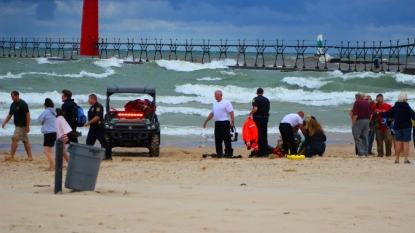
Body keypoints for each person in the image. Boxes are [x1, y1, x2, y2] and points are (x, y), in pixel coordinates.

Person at [379, 93, 415, 163]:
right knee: (406, 142)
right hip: (406, 126)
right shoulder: (407, 107)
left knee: (398, 142)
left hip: (397, 126)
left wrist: (379, 113)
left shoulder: (395, 107)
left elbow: (387, 114)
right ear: (404, 99)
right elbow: (413, 116)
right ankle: (405, 159)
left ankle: (397, 159)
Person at [1, 91, 33, 161]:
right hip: (17, 125)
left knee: (14, 138)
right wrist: (4, 122)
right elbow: (10, 114)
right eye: (11, 97)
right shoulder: (13, 105)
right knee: (25, 141)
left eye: (13, 97)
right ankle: (30, 156)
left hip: (22, 125)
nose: (12, 98)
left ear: (17, 96)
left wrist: (28, 126)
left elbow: (27, 115)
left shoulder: (23, 104)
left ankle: (11, 156)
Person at [203, 90, 235, 157]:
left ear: (220, 95)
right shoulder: (214, 104)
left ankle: (228, 153)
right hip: (217, 123)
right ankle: (219, 153)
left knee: (226, 138)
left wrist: (232, 121)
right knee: (218, 139)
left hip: (225, 123)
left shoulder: (226, 102)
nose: (214, 96)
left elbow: (231, 112)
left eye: (215, 94)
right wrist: (206, 121)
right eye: (214, 94)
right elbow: (212, 113)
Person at [84, 94, 112, 160]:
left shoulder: (99, 106)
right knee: (89, 142)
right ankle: (88, 156)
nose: (88, 100)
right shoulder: (92, 107)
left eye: (89, 99)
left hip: (98, 128)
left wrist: (89, 122)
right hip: (92, 128)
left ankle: (108, 156)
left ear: (93, 99)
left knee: (103, 142)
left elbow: (97, 117)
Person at [248, 88, 270, 157]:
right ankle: (265, 151)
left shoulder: (255, 99)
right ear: (262, 93)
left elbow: (255, 108)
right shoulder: (267, 100)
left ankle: (260, 152)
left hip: (258, 119)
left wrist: (250, 114)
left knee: (259, 135)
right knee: (264, 135)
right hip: (265, 118)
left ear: (257, 92)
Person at [37, 98, 57, 171]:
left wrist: (44, 122)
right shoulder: (54, 112)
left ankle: (54, 164)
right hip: (54, 132)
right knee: (49, 151)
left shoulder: (46, 111)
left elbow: (39, 119)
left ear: (45, 105)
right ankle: (51, 166)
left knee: (46, 151)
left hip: (49, 133)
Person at [351, 93, 372, 157]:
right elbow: (371, 113)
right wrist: (369, 121)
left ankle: (361, 152)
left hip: (359, 120)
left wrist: (353, 122)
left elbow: (355, 114)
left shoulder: (357, 102)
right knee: (365, 137)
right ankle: (366, 153)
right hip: (367, 120)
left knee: (357, 137)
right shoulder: (367, 103)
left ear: (356, 97)